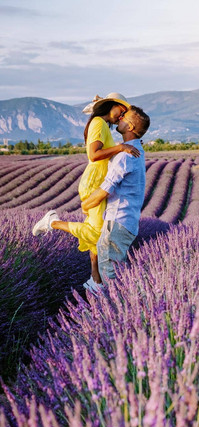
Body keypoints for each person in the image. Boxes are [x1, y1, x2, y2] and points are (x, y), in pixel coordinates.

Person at [32, 92, 140, 289]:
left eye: (125, 114)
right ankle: (52, 222)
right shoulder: (98, 122)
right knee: (97, 233)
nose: (122, 116)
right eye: (121, 110)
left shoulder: (102, 124)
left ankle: (95, 279)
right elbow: (94, 154)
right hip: (94, 182)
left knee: (96, 233)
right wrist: (120, 147)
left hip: (98, 180)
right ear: (111, 106)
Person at [80, 105, 150, 289]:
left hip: (117, 221)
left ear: (131, 128)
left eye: (125, 117)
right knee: (115, 270)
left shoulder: (125, 156)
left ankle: (117, 310)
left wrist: (86, 204)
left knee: (110, 274)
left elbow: (105, 190)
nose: (120, 118)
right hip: (127, 221)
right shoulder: (136, 150)